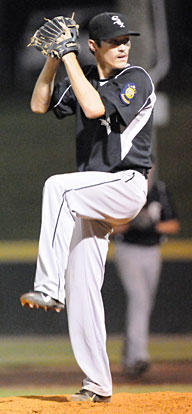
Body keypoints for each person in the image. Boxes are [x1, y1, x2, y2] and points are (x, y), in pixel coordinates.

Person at [20, 11, 156, 402]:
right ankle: (97, 383)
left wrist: (69, 58)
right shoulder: (83, 77)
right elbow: (38, 104)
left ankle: (48, 285)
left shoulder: (135, 78)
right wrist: (53, 58)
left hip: (125, 185)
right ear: (94, 46)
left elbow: (95, 108)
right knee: (83, 289)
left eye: (125, 40)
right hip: (93, 197)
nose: (123, 46)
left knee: (58, 187)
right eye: (114, 41)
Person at [113, 163, 180, 378]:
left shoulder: (158, 190)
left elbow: (173, 225)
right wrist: (132, 224)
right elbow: (110, 227)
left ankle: (129, 353)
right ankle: (137, 356)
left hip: (152, 251)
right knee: (139, 298)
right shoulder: (123, 190)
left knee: (144, 301)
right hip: (128, 250)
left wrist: (151, 226)